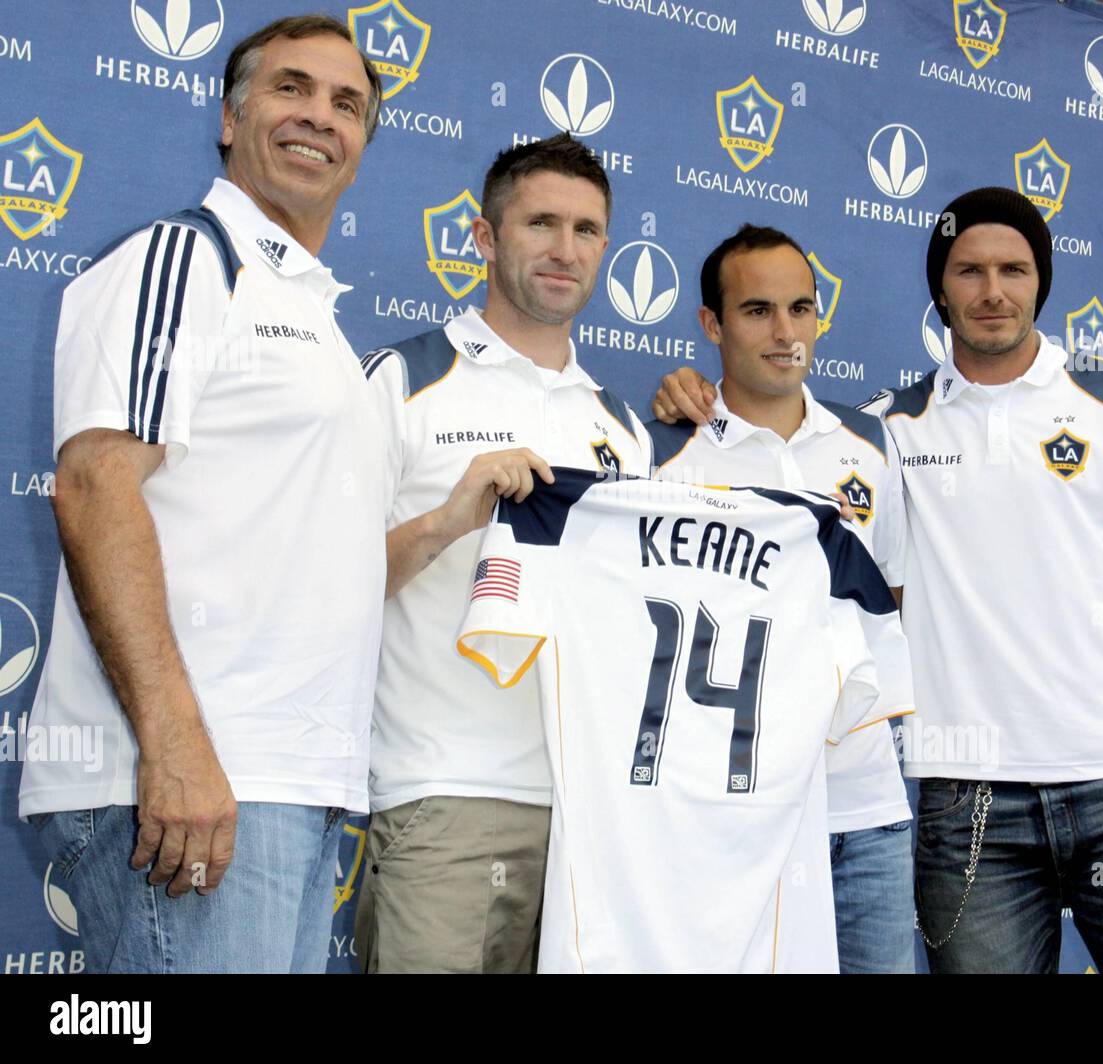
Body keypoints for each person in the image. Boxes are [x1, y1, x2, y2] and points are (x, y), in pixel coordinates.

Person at [652, 187, 1103, 974]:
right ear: (940, 289)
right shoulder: (885, 431)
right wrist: (694, 400)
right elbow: (786, 454)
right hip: (963, 808)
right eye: (969, 271)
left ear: (1041, 282)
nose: (992, 291)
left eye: (1014, 269)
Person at [19, 16, 390, 973]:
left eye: (346, 103)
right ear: (230, 118)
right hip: (194, 780)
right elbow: (97, 484)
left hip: (286, 786)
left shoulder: (315, 315)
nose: (319, 116)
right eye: (291, 89)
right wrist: (175, 744)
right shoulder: (183, 259)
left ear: (363, 145)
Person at [354, 133, 652, 974]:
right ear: (484, 238)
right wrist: (451, 519)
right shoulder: (403, 382)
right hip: (443, 794)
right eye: (541, 224)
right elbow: (326, 587)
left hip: (593, 818)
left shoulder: (625, 429)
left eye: (588, 230)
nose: (566, 250)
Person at [647, 224, 917, 974]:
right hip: (730, 817)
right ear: (712, 324)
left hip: (865, 812)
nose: (785, 332)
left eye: (801, 309)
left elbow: (889, 600)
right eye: (758, 310)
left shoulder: (870, 445)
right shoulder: (663, 452)